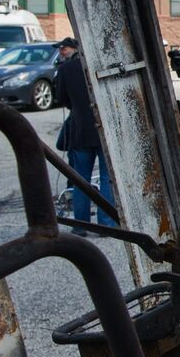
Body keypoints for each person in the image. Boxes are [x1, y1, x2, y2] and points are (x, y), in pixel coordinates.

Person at [53, 37, 117, 229]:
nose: (61, 52)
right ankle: (106, 224)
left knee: (81, 179)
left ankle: (81, 225)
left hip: (80, 129)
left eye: (63, 49)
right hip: (104, 127)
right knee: (107, 178)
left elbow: (61, 98)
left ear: (73, 49)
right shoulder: (100, 64)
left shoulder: (65, 70)